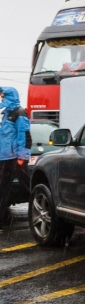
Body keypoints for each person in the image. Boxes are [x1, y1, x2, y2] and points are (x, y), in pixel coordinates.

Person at [0, 87, 30, 230]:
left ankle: (43, 205)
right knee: (3, 188)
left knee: (26, 186)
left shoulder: (19, 113)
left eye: (3, 96)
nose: (1, 99)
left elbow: (24, 136)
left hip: (14, 158)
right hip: (5, 157)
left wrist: (21, 157)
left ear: (10, 96)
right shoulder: (6, 113)